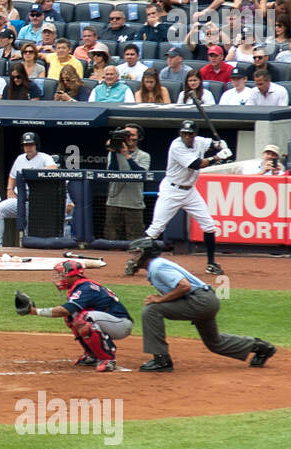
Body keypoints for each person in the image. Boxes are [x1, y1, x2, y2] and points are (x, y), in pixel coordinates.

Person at [124, 237, 276, 372]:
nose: (134, 257)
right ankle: (262, 348)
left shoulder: (157, 267)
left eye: (136, 253)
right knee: (215, 343)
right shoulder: (157, 266)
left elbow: (184, 286)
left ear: (146, 253)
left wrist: (160, 299)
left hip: (200, 301)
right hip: (204, 299)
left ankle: (161, 359)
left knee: (152, 310)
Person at [144, 121, 229, 275]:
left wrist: (220, 144)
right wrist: (217, 157)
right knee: (155, 229)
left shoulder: (199, 141)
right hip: (171, 190)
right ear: (180, 134)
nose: (187, 136)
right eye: (184, 133)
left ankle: (211, 264)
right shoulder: (176, 146)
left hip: (190, 191)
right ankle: (136, 260)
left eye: (190, 134)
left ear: (195, 134)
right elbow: (196, 164)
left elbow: (211, 143)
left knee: (209, 225)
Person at [19, 260, 134, 372]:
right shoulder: (79, 286)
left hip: (121, 324)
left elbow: (65, 310)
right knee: (71, 318)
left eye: (63, 275)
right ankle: (92, 355)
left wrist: (35, 311)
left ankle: (108, 359)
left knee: (83, 319)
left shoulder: (86, 287)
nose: (60, 279)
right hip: (108, 321)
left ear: (74, 276)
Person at [0, 132, 55, 248]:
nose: (28, 147)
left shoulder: (44, 157)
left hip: (36, 201)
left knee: (29, 234)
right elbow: (12, 176)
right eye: (26, 145)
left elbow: (53, 168)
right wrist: (9, 189)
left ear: (36, 145)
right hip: (20, 199)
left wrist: (34, 172)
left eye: (31, 144)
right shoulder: (20, 159)